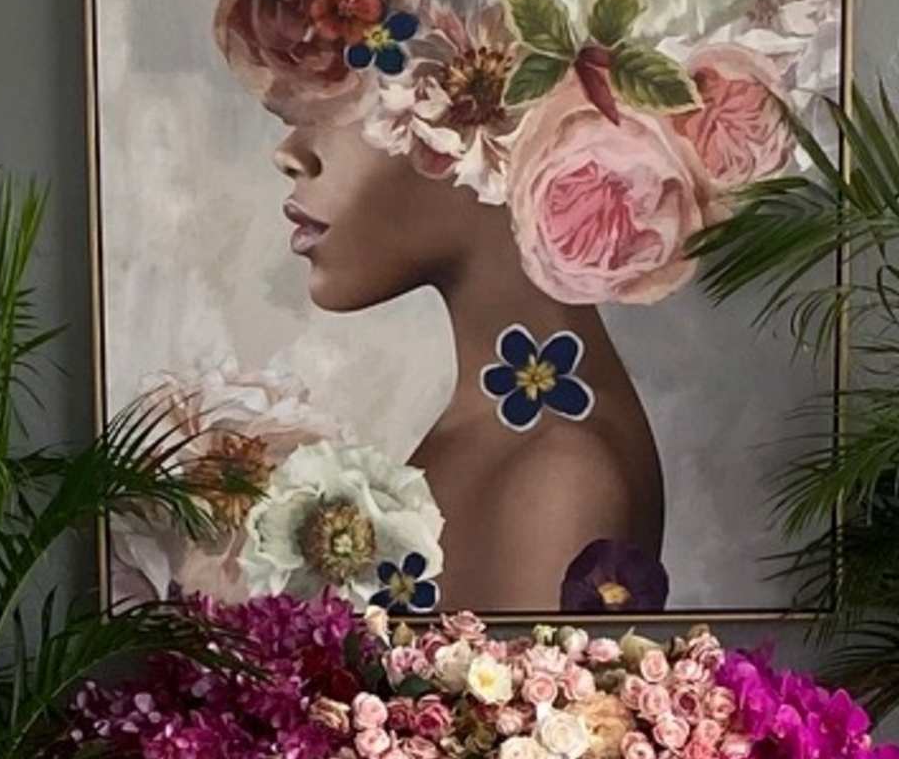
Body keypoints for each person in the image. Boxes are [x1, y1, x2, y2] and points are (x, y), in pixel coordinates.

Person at [276, 108, 667, 615]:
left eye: (356, 101)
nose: (290, 153)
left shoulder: (557, 475)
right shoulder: (503, 435)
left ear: (494, 133)